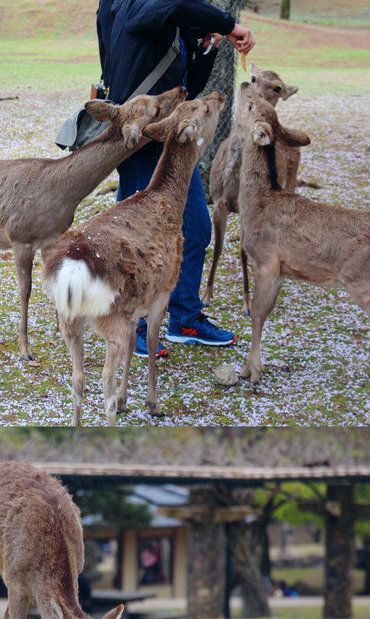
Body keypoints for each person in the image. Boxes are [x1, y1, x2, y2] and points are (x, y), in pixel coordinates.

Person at [96, 0, 255, 357]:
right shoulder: (131, 7)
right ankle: (129, 322)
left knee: (196, 227)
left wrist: (208, 47)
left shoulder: (172, 20)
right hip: (139, 142)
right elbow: (177, 8)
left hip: (170, 142)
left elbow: (188, 87)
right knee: (135, 240)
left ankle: (184, 319)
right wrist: (230, 25)